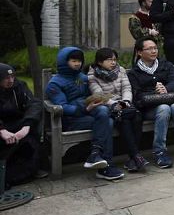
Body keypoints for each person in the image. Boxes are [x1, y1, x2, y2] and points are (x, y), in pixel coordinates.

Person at [45, 47, 124, 181]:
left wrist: (98, 100)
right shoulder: (55, 83)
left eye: (79, 61)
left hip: (90, 113)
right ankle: (106, 165)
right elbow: (62, 107)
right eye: (73, 61)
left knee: (104, 112)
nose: (77, 64)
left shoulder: (83, 78)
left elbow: (91, 95)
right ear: (64, 62)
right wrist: (85, 109)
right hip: (71, 120)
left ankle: (96, 155)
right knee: (108, 122)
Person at [128, 36, 174, 168]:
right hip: (149, 108)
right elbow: (137, 95)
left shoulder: (166, 65)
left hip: (170, 101)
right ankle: (159, 151)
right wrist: (155, 92)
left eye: (155, 48)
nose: (154, 51)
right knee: (164, 108)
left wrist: (166, 88)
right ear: (139, 52)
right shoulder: (134, 73)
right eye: (149, 49)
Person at [88, 48, 148, 172]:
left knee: (136, 116)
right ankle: (135, 156)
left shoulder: (120, 70)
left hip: (124, 104)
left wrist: (125, 102)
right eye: (109, 60)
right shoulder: (93, 75)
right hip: (107, 106)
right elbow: (99, 95)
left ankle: (134, 158)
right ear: (99, 62)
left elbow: (127, 88)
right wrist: (116, 105)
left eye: (115, 59)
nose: (113, 62)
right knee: (124, 119)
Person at [0, 63, 45, 188]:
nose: (10, 80)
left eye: (12, 77)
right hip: (3, 126)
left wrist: (27, 126)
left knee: (33, 130)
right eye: (6, 78)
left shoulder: (19, 85)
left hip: (18, 123)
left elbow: (34, 103)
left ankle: (29, 170)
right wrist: (2, 130)